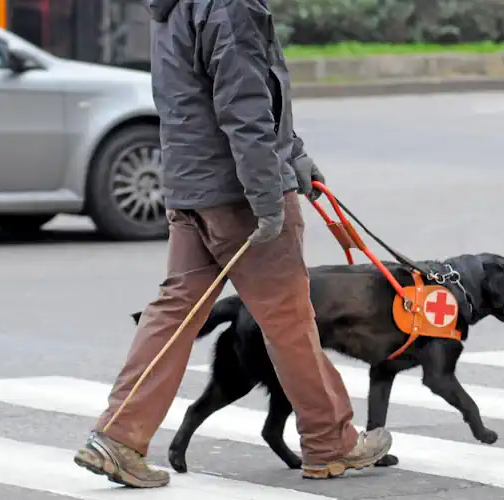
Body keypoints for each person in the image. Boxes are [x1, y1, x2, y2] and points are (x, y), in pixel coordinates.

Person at [72, 0, 392, 488]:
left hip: (191, 187)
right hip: (239, 192)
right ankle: (331, 443)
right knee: (288, 318)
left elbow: (227, 95)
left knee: (176, 311)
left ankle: (119, 435)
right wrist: (268, 196)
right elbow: (243, 108)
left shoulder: (177, 7)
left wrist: (295, 153)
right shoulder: (231, 6)